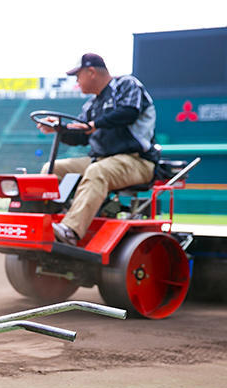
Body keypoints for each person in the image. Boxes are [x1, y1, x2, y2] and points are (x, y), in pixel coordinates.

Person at [37, 53, 160, 246]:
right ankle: (42, 221)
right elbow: (80, 136)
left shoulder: (127, 84)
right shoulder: (92, 105)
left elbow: (129, 112)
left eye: (78, 76)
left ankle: (70, 230)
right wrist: (60, 129)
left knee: (97, 171)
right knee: (51, 169)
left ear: (91, 72)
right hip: (101, 160)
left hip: (137, 161)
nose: (77, 81)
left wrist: (95, 124)